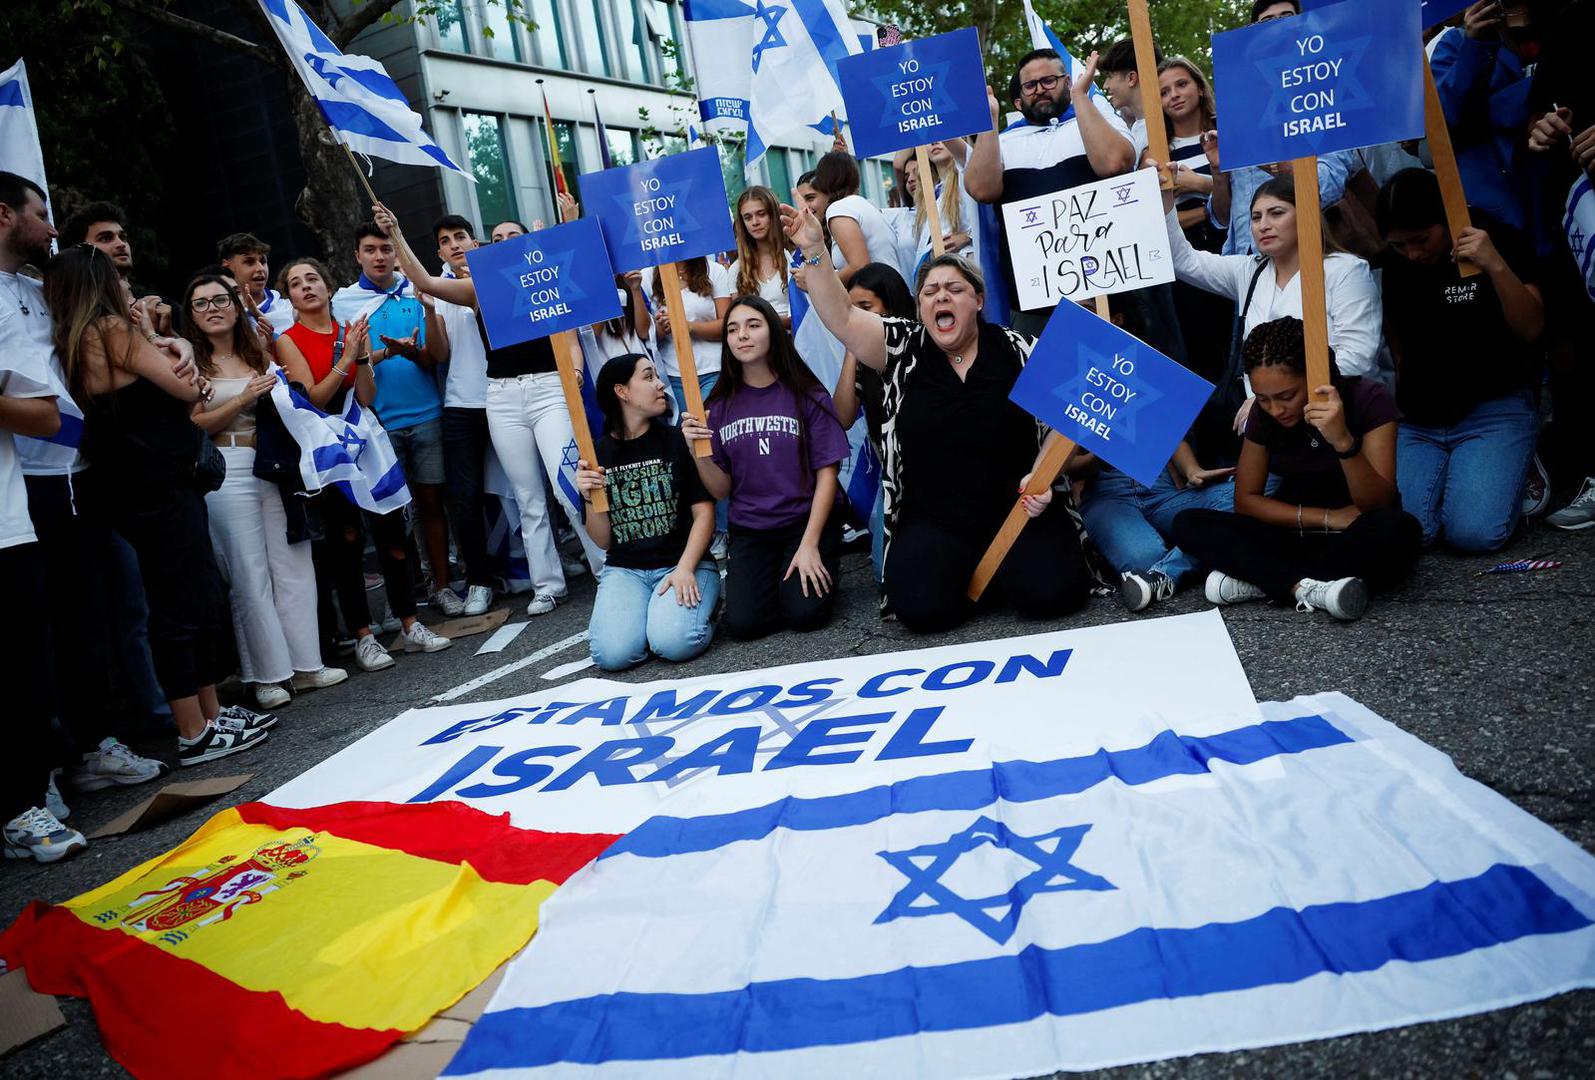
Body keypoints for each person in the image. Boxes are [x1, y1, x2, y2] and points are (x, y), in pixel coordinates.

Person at [781, 202, 1091, 632]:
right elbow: (844, 316)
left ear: (978, 300)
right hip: (935, 521)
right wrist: (815, 248)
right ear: (920, 307)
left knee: (1054, 594)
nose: (941, 296)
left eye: (955, 288)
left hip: (1018, 512)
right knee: (921, 610)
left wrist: (1040, 479)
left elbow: (1071, 419)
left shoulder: (1021, 349)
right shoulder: (900, 348)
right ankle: (972, 577)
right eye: (929, 291)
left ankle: (1002, 574)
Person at [46, 244, 274, 765]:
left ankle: (211, 714)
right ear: (99, 284)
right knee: (181, 603)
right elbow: (190, 390)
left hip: (133, 485)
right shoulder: (111, 331)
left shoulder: (74, 338)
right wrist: (153, 333)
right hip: (158, 485)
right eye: (118, 281)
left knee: (188, 595)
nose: (129, 289)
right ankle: (193, 729)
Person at [1, 173, 169, 804]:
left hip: (76, 470)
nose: (50, 227)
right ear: (4, 217)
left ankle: (91, 747)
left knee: (87, 615)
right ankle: (43, 771)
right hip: (29, 482)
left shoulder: (40, 286)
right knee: (40, 629)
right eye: (40, 213)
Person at [371, 200, 607, 615]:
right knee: (527, 495)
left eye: (509, 237)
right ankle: (548, 585)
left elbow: (571, 338)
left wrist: (574, 371)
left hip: (551, 389)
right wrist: (395, 234)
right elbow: (422, 278)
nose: (501, 243)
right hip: (501, 395)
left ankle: (606, 568)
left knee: (567, 485)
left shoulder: (549, 279)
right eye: (495, 239)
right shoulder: (479, 288)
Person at [1173, 318, 1422, 622]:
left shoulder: (1368, 398)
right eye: (1262, 399)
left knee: (1400, 530)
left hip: (1356, 530)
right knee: (1188, 523)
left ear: (1316, 376)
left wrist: (1342, 440)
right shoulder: (1264, 416)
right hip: (1294, 526)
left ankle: (1263, 581)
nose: (1275, 410)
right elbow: (1247, 500)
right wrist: (1328, 518)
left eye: (1286, 396)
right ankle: (1302, 587)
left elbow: (1378, 503)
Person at [180, 273, 348, 709]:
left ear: (237, 308)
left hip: (274, 468)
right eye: (201, 303)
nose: (212, 308)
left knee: (293, 563)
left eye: (221, 299)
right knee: (248, 573)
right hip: (226, 470)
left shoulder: (260, 354)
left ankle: (307, 665)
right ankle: (268, 676)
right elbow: (190, 426)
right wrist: (240, 401)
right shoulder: (189, 363)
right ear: (191, 316)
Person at [275, 257, 452, 665]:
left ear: (327, 285)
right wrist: (349, 356)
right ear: (290, 298)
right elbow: (315, 398)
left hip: (366, 437)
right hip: (329, 445)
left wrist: (360, 358)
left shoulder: (348, 329)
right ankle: (363, 635)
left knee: (392, 531)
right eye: (296, 283)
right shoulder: (289, 339)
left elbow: (367, 396)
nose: (306, 287)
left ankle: (410, 623)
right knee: (347, 540)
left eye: (313, 278)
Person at [1376, 169, 1544, 552]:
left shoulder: (1496, 237)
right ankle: (1477, 472)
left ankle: (1520, 465)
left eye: (1421, 239)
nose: (1413, 253)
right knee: (1408, 532)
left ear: (1447, 215)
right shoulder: (1396, 263)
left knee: (1473, 534)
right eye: (1400, 245)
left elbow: (1533, 328)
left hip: (1494, 407)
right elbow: (1397, 339)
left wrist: (1495, 265)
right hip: (1421, 419)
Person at [680, 295, 848, 639]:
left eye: (753, 325)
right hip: (752, 530)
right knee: (744, 626)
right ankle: (777, 583)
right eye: (732, 328)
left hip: (804, 521)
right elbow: (720, 490)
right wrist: (697, 451)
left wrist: (811, 543)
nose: (742, 335)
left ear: (772, 332)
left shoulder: (806, 392)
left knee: (806, 615)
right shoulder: (717, 406)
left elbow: (827, 475)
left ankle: (818, 567)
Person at [1158, 170, 1383, 405]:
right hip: (1267, 420)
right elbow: (1183, 261)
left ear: (1305, 214)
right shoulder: (1248, 270)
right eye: (1256, 217)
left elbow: (1358, 356)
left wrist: (1280, 395)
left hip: (1334, 412)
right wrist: (1165, 200)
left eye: (1276, 213)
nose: (1263, 225)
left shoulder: (1346, 270)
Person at [329, 222, 457, 616]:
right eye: (370, 250)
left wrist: (410, 349)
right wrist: (384, 353)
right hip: (377, 420)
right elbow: (344, 363)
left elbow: (436, 356)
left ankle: (441, 586)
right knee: (386, 516)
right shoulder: (344, 303)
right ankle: (402, 604)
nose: (380, 256)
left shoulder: (415, 291)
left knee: (432, 504)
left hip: (426, 412)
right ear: (357, 255)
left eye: (386, 249)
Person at [965, 47, 1137, 335]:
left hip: (1108, 297)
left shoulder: (1100, 120)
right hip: (1034, 307)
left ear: (1067, 82)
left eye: (1049, 81)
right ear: (1019, 95)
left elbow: (1113, 162)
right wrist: (990, 120)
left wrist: (1081, 98)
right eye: (1030, 85)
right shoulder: (1004, 142)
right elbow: (981, 189)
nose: (1040, 90)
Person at [575, 353, 719, 670]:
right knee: (612, 656)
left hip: (682, 564)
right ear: (622, 392)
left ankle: (697, 613)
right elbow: (602, 540)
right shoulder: (596, 454)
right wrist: (588, 497)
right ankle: (654, 618)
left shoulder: (677, 441)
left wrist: (685, 568)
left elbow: (705, 514)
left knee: (674, 643)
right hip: (625, 570)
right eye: (648, 377)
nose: (659, 385)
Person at [1209, 1, 1360, 258]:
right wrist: (1218, 174)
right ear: (1253, 32)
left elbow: (1334, 176)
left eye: (1287, 16)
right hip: (1246, 262)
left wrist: (1284, 169)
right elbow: (1223, 218)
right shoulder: (1239, 107)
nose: (1279, 25)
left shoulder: (1324, 89)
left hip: (1306, 253)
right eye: (1267, 21)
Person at [429, 213, 494, 615]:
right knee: (465, 498)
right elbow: (439, 354)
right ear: (439, 252)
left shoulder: (497, 274)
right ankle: (480, 582)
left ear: (474, 240)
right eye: (446, 240)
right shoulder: (437, 290)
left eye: (461, 236)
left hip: (506, 395)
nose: (454, 244)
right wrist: (428, 311)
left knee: (526, 489)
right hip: (461, 403)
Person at [830, 262, 912, 582]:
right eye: (852, 310)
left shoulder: (921, 344)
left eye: (865, 308)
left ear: (890, 306)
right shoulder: (864, 361)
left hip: (931, 472)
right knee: (885, 574)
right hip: (891, 477)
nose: (856, 317)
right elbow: (843, 416)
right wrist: (853, 348)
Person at [807, 151, 907, 285]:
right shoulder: (863, 205)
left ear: (823, 181)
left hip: (879, 296)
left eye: (810, 197)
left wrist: (817, 284)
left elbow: (859, 265)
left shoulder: (840, 209)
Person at [888, 141, 979, 281]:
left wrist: (968, 236)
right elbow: (899, 164)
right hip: (938, 276)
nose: (935, 142)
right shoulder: (928, 195)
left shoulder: (967, 174)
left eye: (943, 138)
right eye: (928, 140)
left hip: (966, 270)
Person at [731, 186, 794, 326]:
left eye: (761, 214)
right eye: (748, 217)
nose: (755, 222)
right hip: (760, 344)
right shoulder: (737, 268)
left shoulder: (794, 255)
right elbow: (739, 320)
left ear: (774, 214)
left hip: (802, 340)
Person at [218, 232, 296, 337]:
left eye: (263, 262)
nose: (261, 269)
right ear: (226, 267)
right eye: (249, 262)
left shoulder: (289, 308)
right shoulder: (216, 316)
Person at [1098, 38, 1162, 162]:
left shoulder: (1169, 128)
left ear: (1131, 78)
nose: (1105, 86)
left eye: (1110, 76)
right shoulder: (1133, 132)